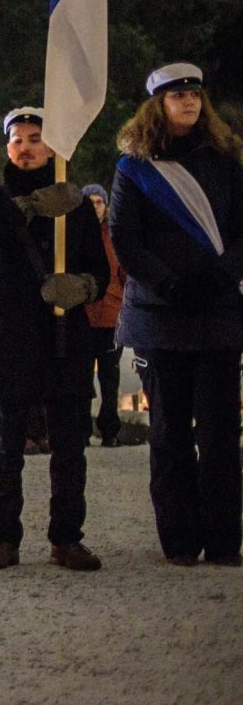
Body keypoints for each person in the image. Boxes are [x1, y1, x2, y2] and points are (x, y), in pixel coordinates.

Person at [0, 107, 109, 572]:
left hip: (65, 341)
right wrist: (27, 206)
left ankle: (67, 539)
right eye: (18, 139)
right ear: (7, 147)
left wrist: (83, 286)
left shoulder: (78, 204)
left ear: (53, 147)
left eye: (35, 138)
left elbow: (100, 271)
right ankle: (3, 538)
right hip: (11, 341)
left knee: (70, 450)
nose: (25, 147)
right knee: (6, 450)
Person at [107, 62, 243, 567]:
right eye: (177, 95)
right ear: (157, 105)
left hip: (217, 312)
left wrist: (221, 274)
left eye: (194, 94)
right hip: (161, 315)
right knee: (168, 433)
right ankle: (180, 540)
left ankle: (225, 541)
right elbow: (125, 237)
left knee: (220, 433)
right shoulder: (134, 168)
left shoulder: (226, 160)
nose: (188, 101)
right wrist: (166, 282)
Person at [81, 183, 126, 446]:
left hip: (111, 313)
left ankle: (109, 429)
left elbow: (123, 269)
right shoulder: (78, 232)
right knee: (83, 376)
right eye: (91, 202)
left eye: (99, 202)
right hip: (85, 315)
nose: (96, 207)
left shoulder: (114, 234)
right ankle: (82, 429)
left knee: (110, 376)